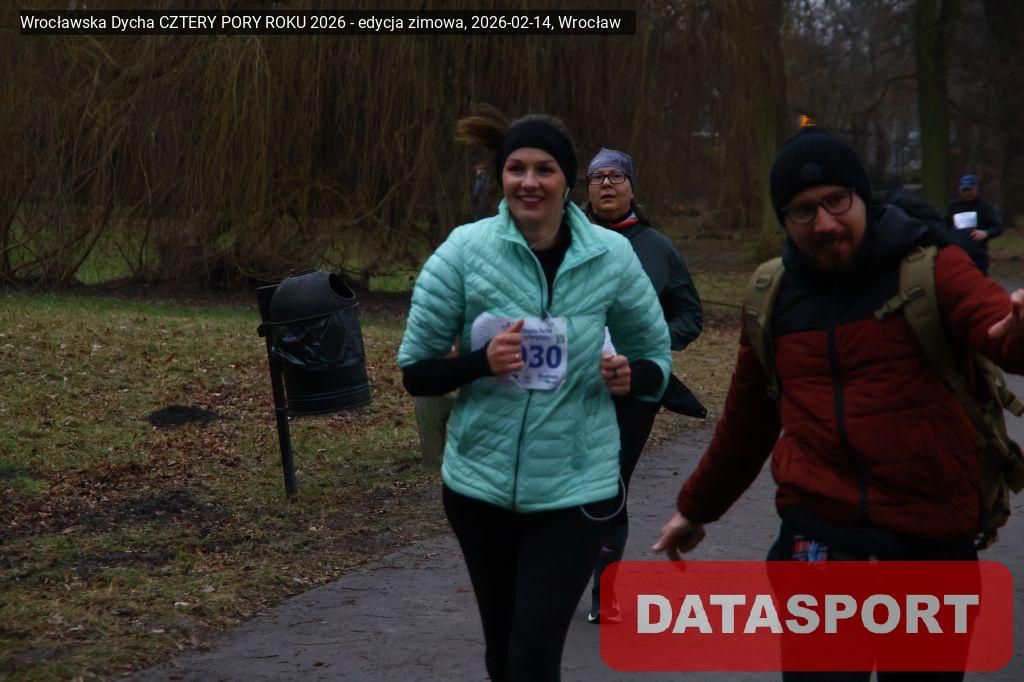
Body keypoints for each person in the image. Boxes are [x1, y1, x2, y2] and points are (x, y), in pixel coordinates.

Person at [652, 127, 1024, 680]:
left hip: (928, 546)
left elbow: (996, 327)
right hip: (818, 544)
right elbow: (748, 423)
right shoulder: (772, 297)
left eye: (836, 201)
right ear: (785, 220)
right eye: (803, 210)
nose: (824, 223)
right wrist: (696, 508)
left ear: (862, 197)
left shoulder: (931, 269)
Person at [398, 106, 671, 682]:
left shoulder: (610, 255)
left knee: (533, 654)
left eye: (544, 169)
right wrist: (480, 362)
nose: (529, 182)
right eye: (516, 168)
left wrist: (632, 376)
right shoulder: (464, 251)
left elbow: (655, 355)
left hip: (576, 486)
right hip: (480, 488)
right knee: (503, 653)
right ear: (501, 176)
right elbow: (417, 372)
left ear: (567, 181)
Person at [581, 147, 703, 624]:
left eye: (616, 176)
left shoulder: (657, 248)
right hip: (570, 384)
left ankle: (604, 592)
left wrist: (654, 341)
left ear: (631, 186)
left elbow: (690, 313)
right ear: (587, 189)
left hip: (634, 388)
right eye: (597, 177)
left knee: (610, 483)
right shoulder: (562, 240)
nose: (607, 184)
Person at [944, 173, 1003, 275]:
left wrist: (986, 233)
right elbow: (943, 226)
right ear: (960, 190)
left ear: (976, 189)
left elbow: (998, 227)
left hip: (978, 257)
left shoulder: (985, 207)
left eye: (970, 190)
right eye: (964, 190)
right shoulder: (953, 207)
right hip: (956, 256)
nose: (967, 193)